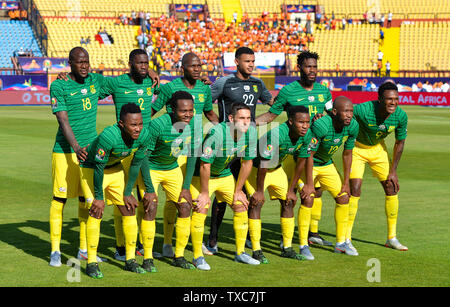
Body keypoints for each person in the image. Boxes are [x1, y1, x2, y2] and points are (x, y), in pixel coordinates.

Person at [256, 50, 334, 247]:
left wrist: (326, 119)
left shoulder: (324, 91)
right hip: (296, 152)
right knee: (295, 196)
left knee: (317, 191)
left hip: (317, 151)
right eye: (308, 66)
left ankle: (312, 233)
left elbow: (332, 114)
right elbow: (271, 116)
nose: (312, 70)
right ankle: (287, 239)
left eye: (315, 66)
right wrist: (245, 124)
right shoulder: (288, 91)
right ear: (299, 68)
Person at [204, 47, 273, 254]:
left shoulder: (258, 84)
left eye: (253, 61)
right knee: (222, 197)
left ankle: (250, 239)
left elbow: (274, 106)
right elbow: (206, 104)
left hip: (246, 145)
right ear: (236, 62)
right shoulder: (224, 82)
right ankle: (212, 241)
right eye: (247, 61)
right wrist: (220, 126)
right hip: (225, 147)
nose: (251, 64)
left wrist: (255, 123)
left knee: (248, 193)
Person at [151, 53, 219, 258]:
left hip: (195, 149)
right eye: (193, 66)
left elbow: (209, 113)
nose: (198, 69)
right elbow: (153, 110)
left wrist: (224, 129)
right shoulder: (170, 88)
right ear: (183, 68)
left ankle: (191, 243)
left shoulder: (204, 88)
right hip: (172, 148)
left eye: (200, 65)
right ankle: (166, 243)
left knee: (192, 198)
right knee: (174, 199)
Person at [80, 103, 155, 278]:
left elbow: (136, 163)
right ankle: (91, 262)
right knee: (96, 210)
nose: (138, 129)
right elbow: (98, 168)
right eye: (133, 125)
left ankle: (130, 260)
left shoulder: (144, 135)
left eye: (140, 124)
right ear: (121, 124)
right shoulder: (109, 136)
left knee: (129, 208)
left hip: (115, 169)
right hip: (91, 169)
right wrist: (99, 197)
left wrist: (128, 192)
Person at [48, 47, 106, 267]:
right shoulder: (59, 84)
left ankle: (83, 249)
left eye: (87, 62)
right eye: (80, 62)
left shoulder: (95, 81)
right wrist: (76, 146)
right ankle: (55, 250)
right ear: (70, 63)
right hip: (64, 152)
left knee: (86, 199)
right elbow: (62, 120)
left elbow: (123, 81)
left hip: (88, 152)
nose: (84, 66)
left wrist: (148, 74)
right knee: (59, 199)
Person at [189, 103, 259, 270]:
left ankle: (240, 253)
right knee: (201, 207)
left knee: (241, 204)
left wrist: (238, 190)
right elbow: (204, 165)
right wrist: (205, 193)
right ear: (230, 119)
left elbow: (247, 162)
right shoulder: (217, 133)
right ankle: (197, 256)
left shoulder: (251, 133)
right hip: (201, 177)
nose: (245, 122)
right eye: (241, 118)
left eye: (248, 118)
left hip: (223, 174)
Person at [136, 91, 197, 269]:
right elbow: (144, 156)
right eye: (183, 111)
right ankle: (147, 258)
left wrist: (186, 187)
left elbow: (192, 155)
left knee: (185, 205)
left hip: (171, 168)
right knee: (150, 207)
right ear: (171, 110)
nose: (188, 115)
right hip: (151, 168)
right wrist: (148, 188)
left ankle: (179, 256)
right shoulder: (157, 125)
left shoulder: (193, 124)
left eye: (191, 111)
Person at [245, 105, 314, 263]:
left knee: (289, 202)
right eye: (300, 122)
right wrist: (260, 191)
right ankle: (256, 249)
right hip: (257, 170)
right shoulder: (276, 134)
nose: (305, 126)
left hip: (276, 169)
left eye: (307, 122)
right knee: (256, 203)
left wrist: (292, 189)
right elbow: (263, 163)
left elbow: (301, 162)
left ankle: (287, 248)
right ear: (290, 122)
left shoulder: (307, 134)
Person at [348, 82, 409, 252]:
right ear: (379, 99)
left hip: (377, 150)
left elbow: (400, 142)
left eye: (396, 99)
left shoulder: (401, 116)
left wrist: (393, 171)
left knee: (391, 187)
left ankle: (392, 238)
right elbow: (344, 112)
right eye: (389, 99)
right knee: (355, 189)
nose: (393, 102)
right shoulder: (363, 109)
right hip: (357, 149)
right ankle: (346, 237)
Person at [297, 96, 360, 259]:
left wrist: (346, 182)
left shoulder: (353, 126)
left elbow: (348, 154)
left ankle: (341, 244)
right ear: (334, 112)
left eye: (351, 111)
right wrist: (310, 184)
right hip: (306, 161)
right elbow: (308, 153)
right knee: (308, 197)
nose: (349, 115)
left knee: (344, 196)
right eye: (345, 111)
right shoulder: (321, 125)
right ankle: (303, 245)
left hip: (326, 163)